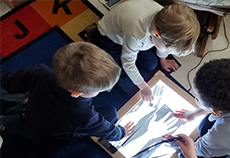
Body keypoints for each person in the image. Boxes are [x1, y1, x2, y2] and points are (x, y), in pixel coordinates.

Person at [0, 42, 135, 147]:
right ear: (76, 93)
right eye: (98, 91)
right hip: (53, 137)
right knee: (110, 113)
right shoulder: (84, 115)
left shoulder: (39, 72)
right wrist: (121, 133)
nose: (99, 93)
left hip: (30, 112)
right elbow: (105, 129)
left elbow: (8, 82)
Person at [89, 0, 200, 102]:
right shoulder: (137, 34)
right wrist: (144, 87)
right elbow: (127, 63)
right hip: (111, 38)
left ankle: (143, 50)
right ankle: (93, 37)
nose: (168, 53)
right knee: (111, 73)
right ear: (156, 34)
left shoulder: (166, 19)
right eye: (168, 50)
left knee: (151, 64)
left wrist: (163, 59)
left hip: (138, 38)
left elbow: (163, 42)